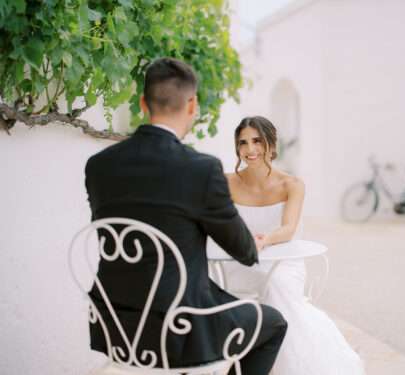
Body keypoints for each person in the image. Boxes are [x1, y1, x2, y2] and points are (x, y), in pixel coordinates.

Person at [84, 58, 287, 374]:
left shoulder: (99, 166)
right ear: (192, 105)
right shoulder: (200, 169)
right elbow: (245, 252)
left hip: (117, 325)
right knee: (272, 323)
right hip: (180, 330)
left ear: (142, 103)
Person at [223, 116, 365, 374]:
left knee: (277, 286)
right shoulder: (226, 181)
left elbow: (288, 229)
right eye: (243, 143)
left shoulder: (292, 184)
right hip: (240, 260)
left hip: (282, 260)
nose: (250, 149)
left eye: (257, 140)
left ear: (271, 143)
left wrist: (265, 240)